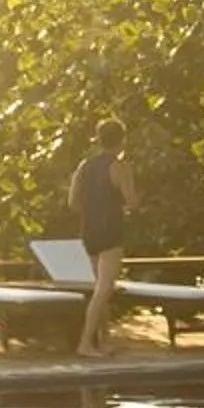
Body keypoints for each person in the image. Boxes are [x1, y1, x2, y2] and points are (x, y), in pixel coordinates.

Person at [67, 117, 137, 358]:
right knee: (104, 289)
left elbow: (72, 202)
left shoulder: (84, 166)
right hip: (110, 232)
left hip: (89, 232)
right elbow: (132, 201)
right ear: (122, 139)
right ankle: (85, 343)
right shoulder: (119, 166)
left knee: (100, 288)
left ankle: (102, 341)